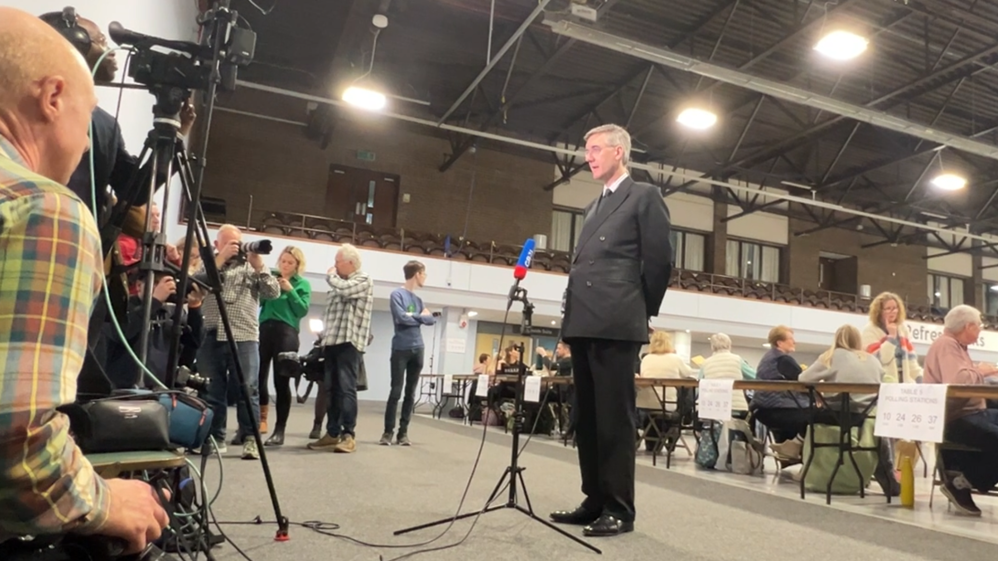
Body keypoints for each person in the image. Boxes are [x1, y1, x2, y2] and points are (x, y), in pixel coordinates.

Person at [0, 7, 167, 554]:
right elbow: (16, 444)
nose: (89, 141)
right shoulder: (44, 210)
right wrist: (104, 501)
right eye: (87, 111)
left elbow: (135, 188)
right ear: (52, 96)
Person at [553, 123, 673, 537]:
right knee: (586, 416)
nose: (588, 156)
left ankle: (620, 508)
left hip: (617, 321)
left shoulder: (644, 196)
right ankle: (595, 499)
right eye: (586, 150)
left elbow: (658, 262)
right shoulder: (592, 206)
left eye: (595, 149)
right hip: (585, 321)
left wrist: (640, 311)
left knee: (614, 420)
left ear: (619, 151)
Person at [196, 225, 280, 460]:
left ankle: (251, 439)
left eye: (238, 242)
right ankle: (216, 438)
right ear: (217, 244)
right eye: (230, 243)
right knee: (212, 389)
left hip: (244, 335)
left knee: (248, 389)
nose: (236, 247)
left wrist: (260, 266)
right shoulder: (208, 262)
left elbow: (273, 293)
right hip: (211, 333)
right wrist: (220, 259)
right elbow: (197, 282)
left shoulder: (251, 267)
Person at [923, 305, 998, 516]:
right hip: (956, 417)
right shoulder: (947, 345)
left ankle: (967, 479)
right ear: (968, 326)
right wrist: (980, 371)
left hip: (973, 411)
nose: (981, 329)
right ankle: (961, 483)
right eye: (980, 325)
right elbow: (958, 381)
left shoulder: (958, 346)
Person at [309, 244, 374, 454]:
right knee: (331, 390)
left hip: (349, 343)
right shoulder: (337, 285)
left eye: (338, 261)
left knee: (347, 389)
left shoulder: (363, 279)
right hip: (332, 343)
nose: (334, 266)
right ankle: (332, 433)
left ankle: (348, 435)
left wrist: (330, 277)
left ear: (350, 263)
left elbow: (346, 291)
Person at [259, 246, 311, 446]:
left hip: (286, 332)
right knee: (257, 377)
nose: (286, 265)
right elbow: (261, 300)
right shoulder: (270, 277)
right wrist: (268, 285)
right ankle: (256, 422)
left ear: (297, 265)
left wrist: (290, 291)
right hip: (265, 328)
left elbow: (302, 310)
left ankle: (279, 430)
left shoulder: (302, 283)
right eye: (283, 261)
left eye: (290, 262)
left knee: (281, 382)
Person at [382, 260, 436, 446]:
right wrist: (421, 317)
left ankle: (403, 433)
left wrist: (415, 317)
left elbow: (431, 321)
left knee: (410, 393)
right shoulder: (397, 294)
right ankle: (388, 432)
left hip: (417, 348)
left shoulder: (418, 300)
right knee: (395, 391)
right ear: (417, 274)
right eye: (424, 274)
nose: (425, 278)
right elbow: (401, 318)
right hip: (400, 348)